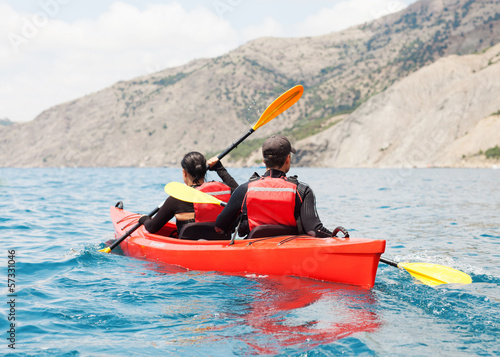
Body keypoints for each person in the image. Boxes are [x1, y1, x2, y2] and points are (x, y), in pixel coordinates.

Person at [215, 135, 339, 238]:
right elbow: (314, 231)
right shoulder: (302, 191)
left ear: (264, 161)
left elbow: (220, 227)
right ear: (288, 159)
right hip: (290, 254)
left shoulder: (244, 190)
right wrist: (335, 237)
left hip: (253, 254)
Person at [139, 151, 238, 236]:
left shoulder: (176, 198)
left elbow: (152, 227)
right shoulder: (223, 192)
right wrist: (219, 168)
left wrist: (144, 219)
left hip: (189, 246)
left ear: (184, 172)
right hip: (220, 243)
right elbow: (240, 193)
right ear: (204, 172)